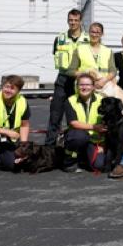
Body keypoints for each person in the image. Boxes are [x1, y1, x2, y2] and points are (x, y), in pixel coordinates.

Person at [46, 9, 89, 146]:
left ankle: (77, 146)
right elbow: (56, 55)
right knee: (55, 115)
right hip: (63, 80)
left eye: (76, 20)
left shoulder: (88, 39)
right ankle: (50, 147)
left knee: (79, 115)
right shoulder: (60, 38)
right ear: (67, 20)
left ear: (80, 21)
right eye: (71, 20)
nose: (73, 23)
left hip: (81, 82)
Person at [62, 73, 106, 172]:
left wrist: (103, 145)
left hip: (95, 140)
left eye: (87, 85)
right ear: (77, 86)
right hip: (77, 136)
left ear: (93, 87)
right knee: (79, 137)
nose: (84, 87)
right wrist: (94, 127)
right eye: (81, 85)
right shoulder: (70, 100)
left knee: (99, 165)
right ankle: (69, 162)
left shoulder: (102, 100)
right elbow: (73, 123)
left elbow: (107, 125)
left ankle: (83, 159)